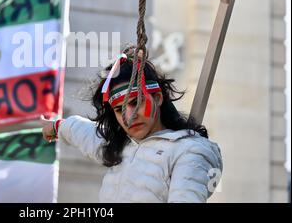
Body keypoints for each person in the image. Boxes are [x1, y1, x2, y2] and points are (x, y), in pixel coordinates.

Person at [41, 45, 223, 202]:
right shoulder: (119, 145)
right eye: (119, 110)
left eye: (136, 102)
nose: (129, 116)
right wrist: (57, 127)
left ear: (158, 98)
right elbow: (84, 132)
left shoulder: (190, 150)